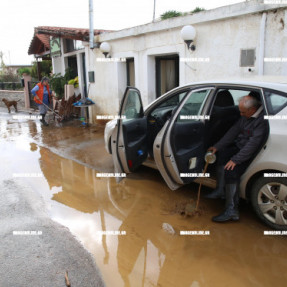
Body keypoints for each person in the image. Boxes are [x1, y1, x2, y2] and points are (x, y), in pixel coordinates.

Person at [207, 93, 268, 222]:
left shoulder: (262, 120)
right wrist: (217, 146)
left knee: (231, 170)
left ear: (252, 110)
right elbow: (234, 131)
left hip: (252, 153)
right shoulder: (247, 115)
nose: (240, 115)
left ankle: (232, 211)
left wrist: (236, 160)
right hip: (241, 147)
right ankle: (220, 191)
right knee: (221, 155)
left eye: (243, 112)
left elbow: (253, 145)